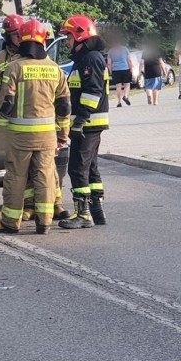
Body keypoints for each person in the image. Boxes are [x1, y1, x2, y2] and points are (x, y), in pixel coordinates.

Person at [0, 19, 71, 235]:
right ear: (44, 40)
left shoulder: (15, 67)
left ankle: (10, 222)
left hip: (19, 137)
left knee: (16, 177)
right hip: (47, 137)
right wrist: (63, 134)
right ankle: (44, 222)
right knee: (45, 176)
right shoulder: (55, 70)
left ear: (22, 40)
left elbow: (5, 104)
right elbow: (64, 107)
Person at [59, 15, 109, 229]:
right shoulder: (88, 58)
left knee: (78, 168)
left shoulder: (91, 59)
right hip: (89, 123)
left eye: (69, 37)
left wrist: (80, 119)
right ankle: (96, 210)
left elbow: (93, 90)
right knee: (91, 167)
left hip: (87, 123)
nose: (67, 42)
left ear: (79, 36)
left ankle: (83, 215)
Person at [107, 34, 134, 108]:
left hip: (116, 70)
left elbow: (109, 63)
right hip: (125, 69)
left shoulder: (111, 51)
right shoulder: (125, 49)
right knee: (127, 84)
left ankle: (119, 102)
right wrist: (131, 69)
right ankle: (125, 96)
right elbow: (129, 60)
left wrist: (111, 71)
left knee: (118, 86)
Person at [140, 41, 166, 106]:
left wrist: (140, 72)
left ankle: (149, 96)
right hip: (156, 70)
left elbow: (141, 62)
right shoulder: (157, 52)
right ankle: (155, 101)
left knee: (148, 86)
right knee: (156, 87)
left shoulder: (145, 53)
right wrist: (164, 71)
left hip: (148, 70)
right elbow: (161, 62)